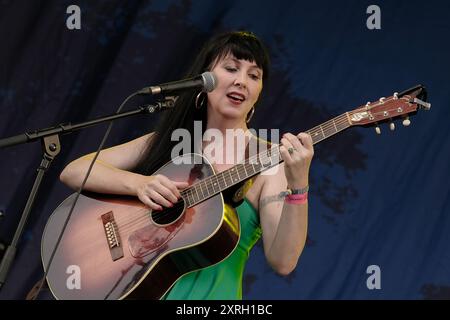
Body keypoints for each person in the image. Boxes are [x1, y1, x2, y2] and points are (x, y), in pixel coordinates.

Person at [59, 31, 314, 299]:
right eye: (231, 68)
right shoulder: (171, 140)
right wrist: (140, 184)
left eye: (254, 75)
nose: (241, 81)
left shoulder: (270, 158)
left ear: (259, 93)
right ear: (204, 79)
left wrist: (299, 185)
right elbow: (74, 171)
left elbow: (283, 261)